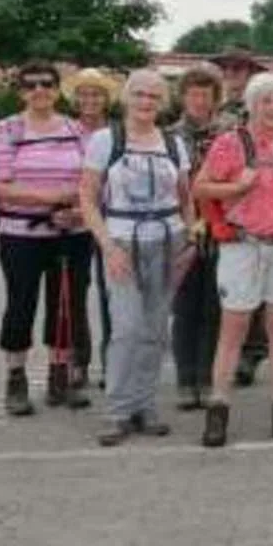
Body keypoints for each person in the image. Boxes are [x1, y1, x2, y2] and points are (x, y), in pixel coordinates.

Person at [79, 69, 194, 446]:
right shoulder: (104, 140)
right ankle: (117, 410)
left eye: (154, 97)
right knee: (127, 328)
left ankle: (145, 406)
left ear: (163, 102)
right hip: (122, 241)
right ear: (127, 97)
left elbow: (186, 198)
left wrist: (191, 243)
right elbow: (88, 198)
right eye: (140, 95)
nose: (146, 103)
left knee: (156, 329)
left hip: (168, 239)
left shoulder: (175, 143)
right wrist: (108, 246)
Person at [195, 72, 273, 446]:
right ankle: (218, 409)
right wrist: (237, 186)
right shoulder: (232, 142)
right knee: (234, 330)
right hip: (243, 246)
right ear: (252, 105)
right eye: (266, 101)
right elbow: (200, 187)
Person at [0, 61, 90, 415]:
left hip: (72, 232)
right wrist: (51, 199)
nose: (39, 91)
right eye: (30, 85)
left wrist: (77, 209)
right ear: (20, 91)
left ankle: (59, 376)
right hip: (22, 234)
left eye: (47, 83)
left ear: (57, 89)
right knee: (21, 303)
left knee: (66, 305)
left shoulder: (76, 129)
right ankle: (16, 378)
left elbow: (91, 180)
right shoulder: (6, 129)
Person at [210, 47, 269, 386]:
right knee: (225, 286)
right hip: (216, 203)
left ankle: (251, 352)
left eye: (239, 70)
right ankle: (224, 350)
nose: (232, 75)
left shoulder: (257, 111)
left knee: (254, 285)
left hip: (254, 206)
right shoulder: (214, 110)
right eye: (228, 69)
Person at [62, 67, 121, 392]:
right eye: (84, 93)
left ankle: (113, 363)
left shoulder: (118, 132)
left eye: (97, 93)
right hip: (72, 223)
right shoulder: (64, 131)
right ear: (75, 98)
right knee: (74, 296)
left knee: (112, 294)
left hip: (110, 221)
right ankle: (78, 362)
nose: (90, 99)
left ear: (107, 99)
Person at [170, 63, 225, 409]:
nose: (199, 100)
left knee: (214, 308)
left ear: (215, 99)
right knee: (185, 308)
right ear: (183, 97)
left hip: (220, 230)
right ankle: (184, 378)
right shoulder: (169, 135)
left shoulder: (228, 134)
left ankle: (206, 378)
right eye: (193, 94)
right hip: (181, 231)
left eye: (206, 94)